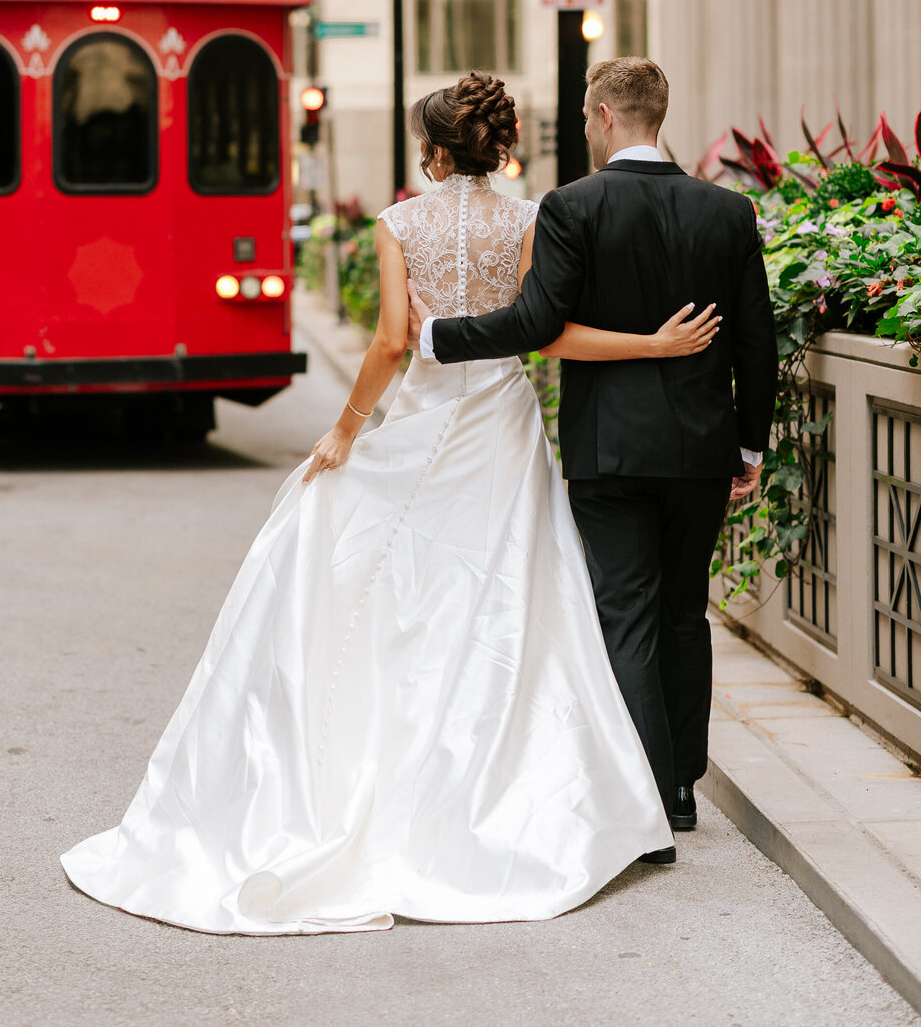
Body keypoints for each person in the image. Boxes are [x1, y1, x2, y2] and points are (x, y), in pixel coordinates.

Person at [61, 72, 722, 934]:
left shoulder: (398, 224)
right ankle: (521, 780)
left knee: (391, 583)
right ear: (495, 143)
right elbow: (544, 332)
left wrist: (345, 429)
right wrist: (652, 344)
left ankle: (380, 763)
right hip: (500, 423)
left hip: (425, 413)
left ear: (435, 149)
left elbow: (391, 341)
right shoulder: (530, 218)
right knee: (510, 598)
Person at [409, 57, 777, 844]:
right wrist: (750, 444)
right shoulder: (729, 211)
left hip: (609, 451)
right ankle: (680, 787)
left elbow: (535, 323)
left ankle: (641, 796)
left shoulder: (573, 207)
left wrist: (440, 336)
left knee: (626, 613)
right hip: (703, 452)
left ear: (606, 116)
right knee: (684, 611)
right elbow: (757, 341)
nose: (584, 127)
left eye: (584, 115)